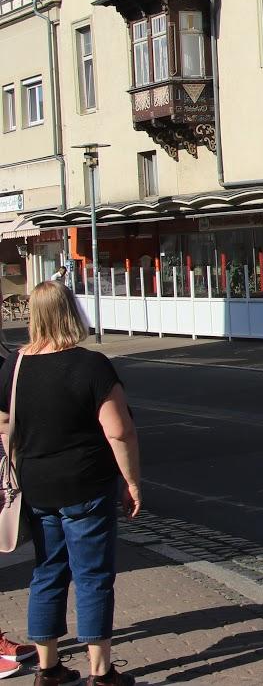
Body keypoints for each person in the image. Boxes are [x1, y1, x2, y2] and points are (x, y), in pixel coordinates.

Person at [0, 282, 141, 686]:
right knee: (93, 576)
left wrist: (22, 459)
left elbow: (4, 423)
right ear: (71, 312)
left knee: (47, 571)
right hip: (86, 485)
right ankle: (101, 672)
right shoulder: (92, 365)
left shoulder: (15, 365)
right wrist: (132, 481)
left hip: (37, 486)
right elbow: (119, 431)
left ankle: (49, 670)